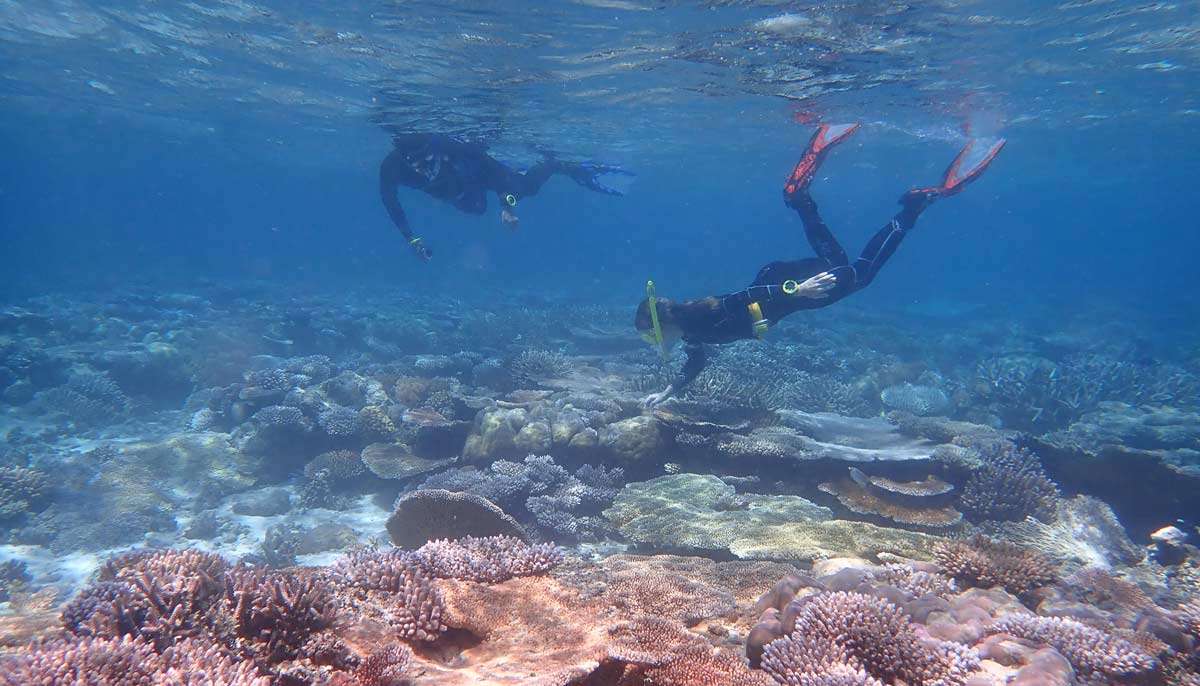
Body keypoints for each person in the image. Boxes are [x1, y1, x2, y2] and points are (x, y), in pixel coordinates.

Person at [635, 124, 1005, 407]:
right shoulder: (692, 332)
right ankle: (801, 199)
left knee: (859, 275)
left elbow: (743, 296)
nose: (653, 342)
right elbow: (694, 364)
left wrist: (798, 290)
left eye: (651, 334)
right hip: (785, 285)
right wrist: (667, 392)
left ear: (662, 323)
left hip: (791, 289)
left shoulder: (698, 317)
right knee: (842, 264)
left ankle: (911, 209)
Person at [380, 133, 632, 261]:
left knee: (525, 188)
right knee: (475, 209)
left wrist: (507, 206)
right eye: (412, 163)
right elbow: (390, 201)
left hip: (478, 174)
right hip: (458, 192)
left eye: (425, 160)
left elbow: (498, 177)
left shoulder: (456, 148)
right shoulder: (392, 168)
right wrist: (411, 238)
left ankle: (557, 165)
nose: (420, 168)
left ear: (435, 150)